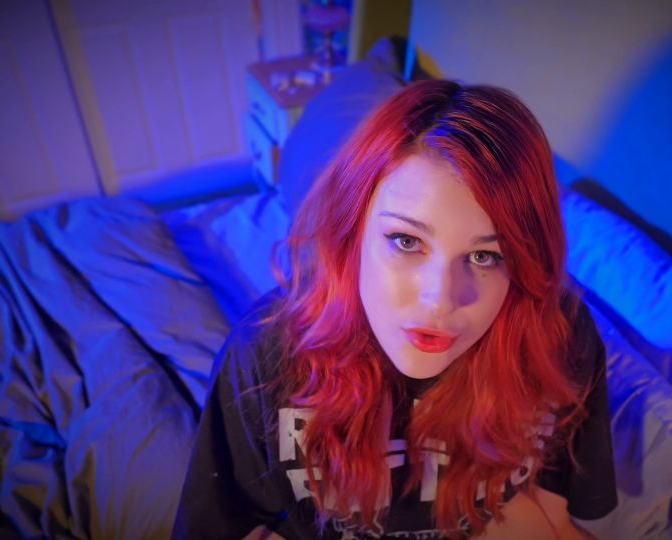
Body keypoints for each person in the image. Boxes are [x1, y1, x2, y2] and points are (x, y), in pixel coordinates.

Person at [172, 80, 617, 539]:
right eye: (406, 241)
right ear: (352, 232)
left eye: (485, 256)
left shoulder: (559, 336)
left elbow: (553, 518)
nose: (440, 300)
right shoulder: (269, 355)